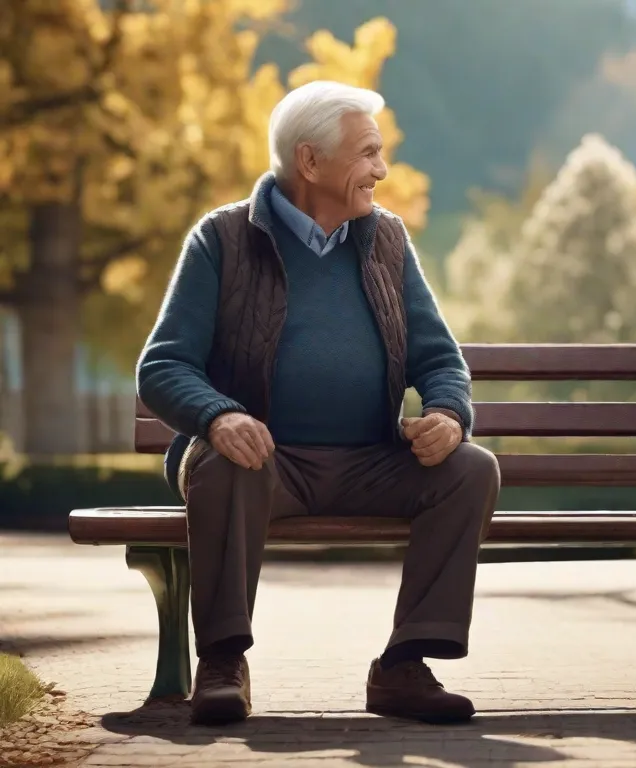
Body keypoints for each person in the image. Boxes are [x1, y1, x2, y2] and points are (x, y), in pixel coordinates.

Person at [136, 81, 500, 726]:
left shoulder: (386, 238)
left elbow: (440, 360)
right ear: (310, 162)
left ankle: (404, 666)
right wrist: (219, 416)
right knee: (224, 467)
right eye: (367, 153)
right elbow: (163, 364)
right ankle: (222, 661)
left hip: (370, 463)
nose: (380, 170)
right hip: (266, 465)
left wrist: (447, 414)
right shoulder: (221, 239)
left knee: (470, 467)